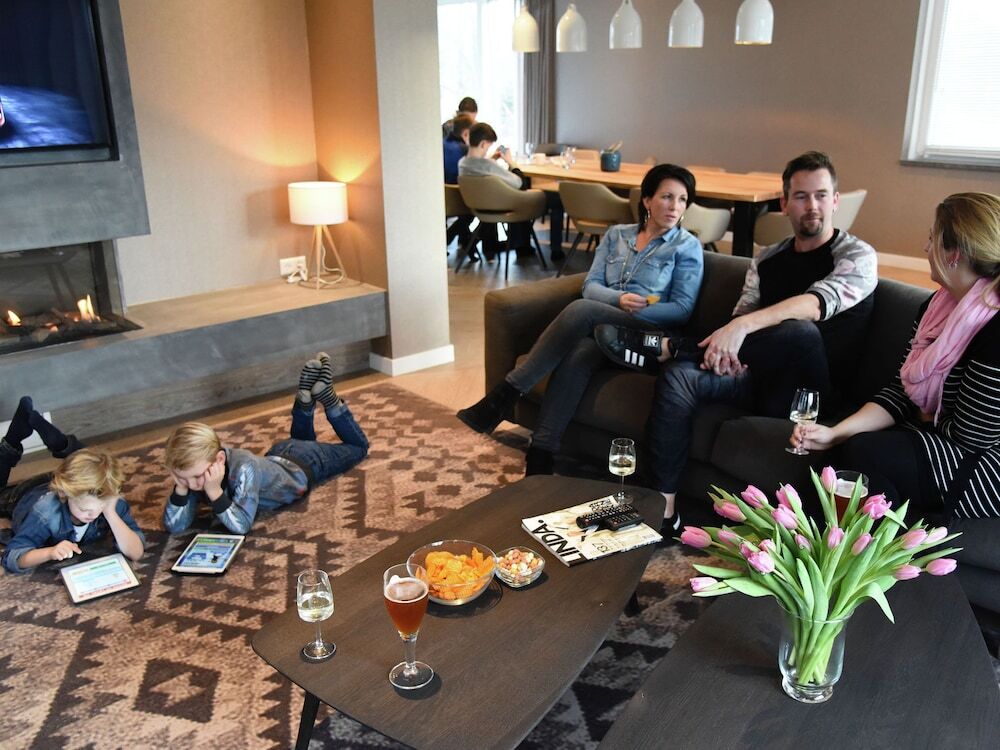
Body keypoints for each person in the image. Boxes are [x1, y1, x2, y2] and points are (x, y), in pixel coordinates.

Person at [597, 152, 878, 532]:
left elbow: (814, 306)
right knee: (679, 376)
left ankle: (671, 347)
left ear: (835, 200)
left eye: (821, 195)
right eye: (801, 196)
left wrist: (742, 327)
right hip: (755, 377)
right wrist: (731, 342)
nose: (812, 206)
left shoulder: (857, 256)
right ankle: (665, 512)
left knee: (799, 330)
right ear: (784, 204)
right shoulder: (768, 259)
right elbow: (737, 323)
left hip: (812, 394)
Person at [457, 164, 704, 476]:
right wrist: (617, 300)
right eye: (667, 197)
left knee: (582, 309)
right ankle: (541, 456)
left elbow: (682, 309)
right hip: (603, 328)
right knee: (580, 352)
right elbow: (591, 285)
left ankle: (505, 394)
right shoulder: (617, 235)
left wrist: (634, 310)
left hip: (645, 334)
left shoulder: (686, 246)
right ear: (647, 200)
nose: (675, 207)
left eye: (682, 200)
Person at [795, 192, 1000, 521]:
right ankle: (805, 547)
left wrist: (926, 416)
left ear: (954, 255)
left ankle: (862, 550)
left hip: (984, 461)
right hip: (941, 435)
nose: (925, 248)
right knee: (834, 464)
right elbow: (904, 390)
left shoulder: (994, 328)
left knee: (865, 455)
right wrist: (836, 432)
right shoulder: (935, 309)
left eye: (932, 239)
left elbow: (972, 436)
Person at [162, 353, 369, 535]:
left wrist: (214, 492)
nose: (192, 485)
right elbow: (175, 527)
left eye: (196, 477)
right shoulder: (194, 469)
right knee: (302, 441)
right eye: (182, 478)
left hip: (306, 463)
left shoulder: (244, 468)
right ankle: (305, 401)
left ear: (219, 459)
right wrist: (180, 487)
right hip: (280, 454)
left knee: (359, 448)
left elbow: (241, 525)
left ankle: (331, 401)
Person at [0, 396, 145, 573]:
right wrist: (49, 552)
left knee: (93, 464)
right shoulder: (45, 512)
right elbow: (12, 557)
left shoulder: (110, 500)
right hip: (24, 495)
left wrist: (110, 513)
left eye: (100, 508)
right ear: (64, 495)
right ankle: (12, 439)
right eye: (84, 510)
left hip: (67, 483)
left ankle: (59, 441)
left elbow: (136, 552)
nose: (93, 515)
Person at [458, 121, 533, 260]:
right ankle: (522, 246)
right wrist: (510, 161)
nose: (487, 150)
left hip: (476, 205)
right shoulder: (488, 165)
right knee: (526, 194)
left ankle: (493, 248)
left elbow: (480, 167)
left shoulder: (462, 163)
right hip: (499, 206)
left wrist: (491, 159)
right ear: (483, 144)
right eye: (488, 146)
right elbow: (519, 183)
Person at [444, 114, 475, 251]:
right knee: (479, 206)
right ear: (466, 133)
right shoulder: (464, 149)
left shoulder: (442, 144)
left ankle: (464, 241)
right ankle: (449, 237)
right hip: (457, 198)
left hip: (442, 196)